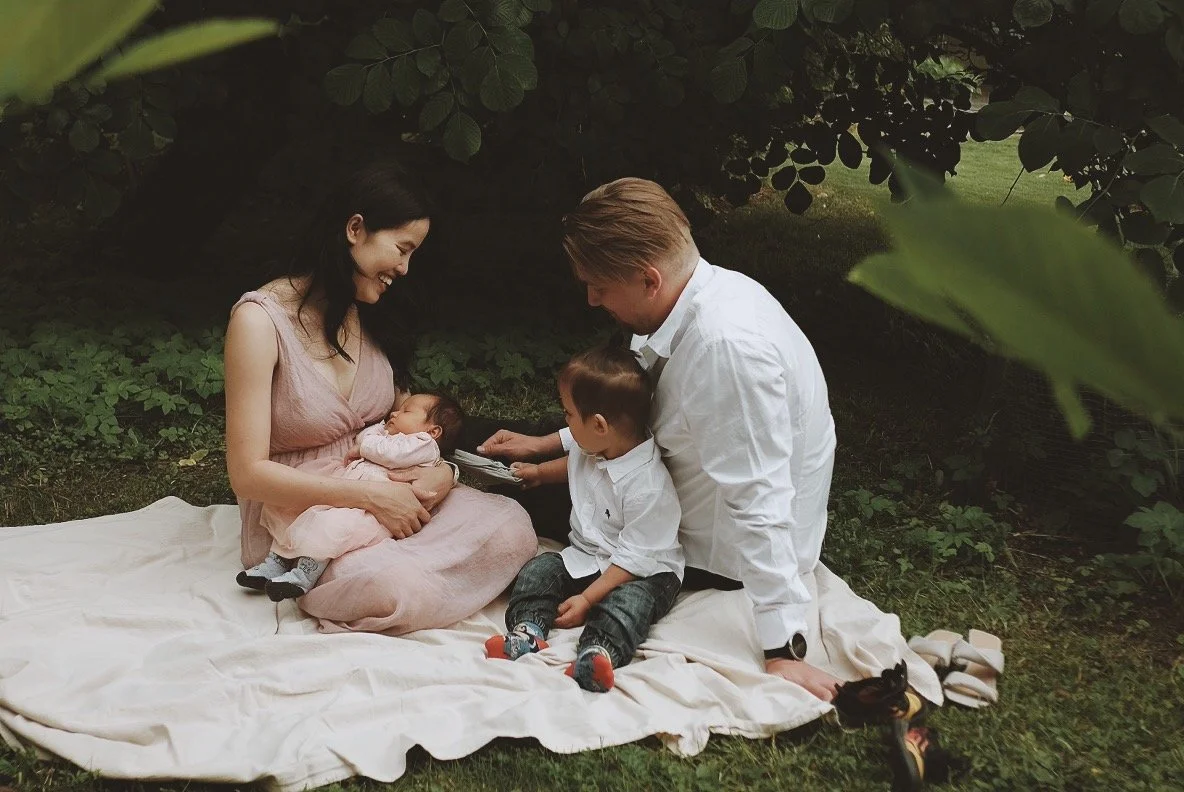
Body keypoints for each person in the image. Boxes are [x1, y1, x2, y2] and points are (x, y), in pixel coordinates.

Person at [478, 177, 842, 701]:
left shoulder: (726, 350)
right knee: (497, 449)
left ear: (648, 279)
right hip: (651, 485)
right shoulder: (705, 295)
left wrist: (783, 646)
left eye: (600, 286)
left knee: (501, 483)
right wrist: (546, 443)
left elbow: (759, 500)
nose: (591, 299)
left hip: (701, 548)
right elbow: (630, 418)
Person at [224, 159, 536, 634]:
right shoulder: (259, 322)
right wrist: (369, 497)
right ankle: (378, 580)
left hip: (386, 487)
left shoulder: (370, 312)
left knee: (511, 526)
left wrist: (443, 473)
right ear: (355, 229)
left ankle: (417, 573)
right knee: (393, 588)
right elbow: (247, 475)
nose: (405, 269)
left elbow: (405, 420)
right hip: (301, 513)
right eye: (402, 249)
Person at [484, 345, 682, 693]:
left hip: (643, 572)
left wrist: (587, 600)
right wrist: (540, 473)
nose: (565, 422)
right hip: (590, 556)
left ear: (599, 425)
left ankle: (599, 651)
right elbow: (576, 463)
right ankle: (528, 631)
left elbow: (634, 558)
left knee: (629, 605)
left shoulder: (648, 487)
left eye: (568, 414)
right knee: (540, 570)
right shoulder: (595, 445)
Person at [237, 391, 465, 601]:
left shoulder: (423, 445)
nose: (394, 413)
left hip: (370, 508)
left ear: (433, 431)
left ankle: (303, 575)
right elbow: (366, 439)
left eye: (406, 411)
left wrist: (367, 444)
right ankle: (275, 563)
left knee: (329, 527)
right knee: (293, 511)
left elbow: (389, 454)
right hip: (348, 485)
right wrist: (375, 434)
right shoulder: (387, 437)